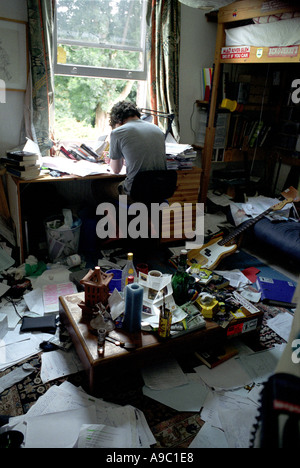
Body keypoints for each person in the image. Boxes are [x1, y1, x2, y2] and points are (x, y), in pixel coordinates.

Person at [93, 101, 167, 202]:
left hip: (136, 191)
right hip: (160, 189)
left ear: (118, 122)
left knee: (98, 186)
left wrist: (112, 158)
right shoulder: (157, 129)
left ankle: (115, 217)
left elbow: (116, 170)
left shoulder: (117, 132)